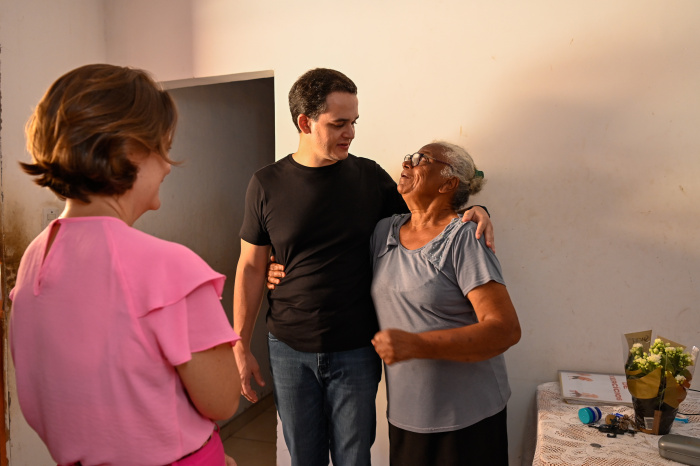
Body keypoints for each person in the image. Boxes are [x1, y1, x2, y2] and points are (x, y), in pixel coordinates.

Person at [233, 68, 494, 466]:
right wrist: (240, 343)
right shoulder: (266, 184)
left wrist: (474, 209)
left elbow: (426, 219)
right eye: (339, 123)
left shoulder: (369, 177)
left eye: (354, 122)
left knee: (355, 458)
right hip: (287, 347)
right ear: (305, 122)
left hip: (356, 347)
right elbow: (251, 267)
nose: (350, 132)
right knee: (304, 457)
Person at [10, 64, 241, 466]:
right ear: (133, 148)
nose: (168, 166)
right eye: (163, 149)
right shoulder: (169, 266)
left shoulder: (35, 258)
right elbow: (222, 401)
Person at [370, 141, 521, 466]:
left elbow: (505, 330)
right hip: (407, 416)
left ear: (449, 182)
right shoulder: (384, 231)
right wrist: (275, 263)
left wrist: (416, 344)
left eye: (421, 159)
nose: (407, 163)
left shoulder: (465, 238)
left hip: (468, 420)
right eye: (409, 156)